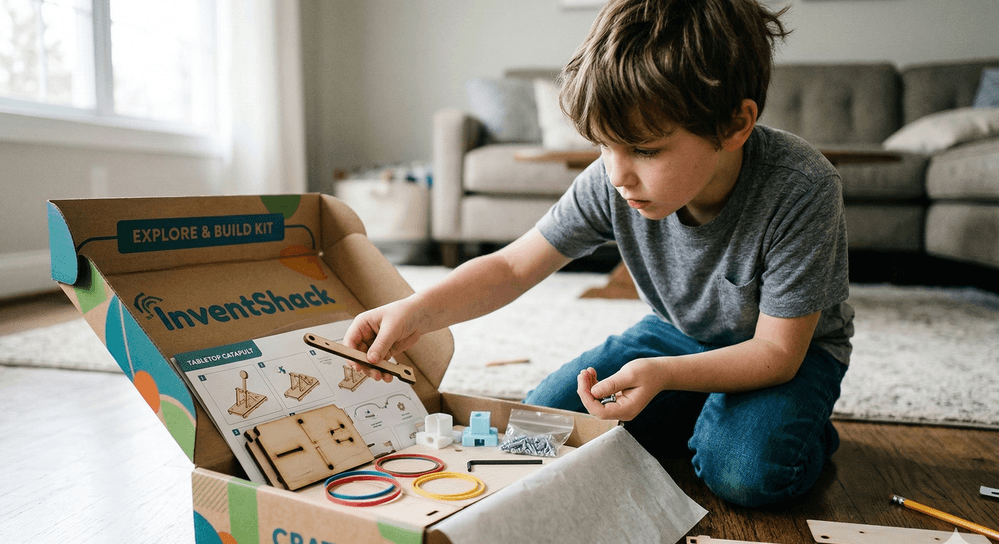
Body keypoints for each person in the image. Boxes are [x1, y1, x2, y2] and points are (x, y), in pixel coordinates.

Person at [343, 0, 854, 508]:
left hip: (787, 357)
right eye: (602, 146)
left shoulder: (802, 187)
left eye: (645, 150)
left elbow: (774, 354)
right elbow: (511, 266)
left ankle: (798, 431)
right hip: (676, 336)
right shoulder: (613, 183)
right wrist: (418, 310)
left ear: (735, 125)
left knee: (744, 473)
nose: (617, 174)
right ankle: (699, 413)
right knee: (541, 424)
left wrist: (664, 375)